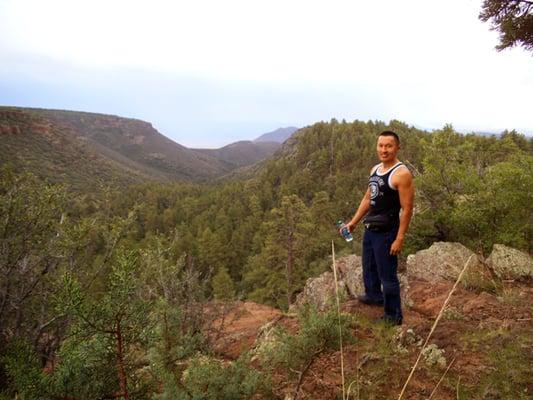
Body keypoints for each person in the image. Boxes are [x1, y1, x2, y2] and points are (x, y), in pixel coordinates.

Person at [343, 130, 414, 325]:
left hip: (387, 232)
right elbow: (368, 198)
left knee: (387, 275)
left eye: (388, 146)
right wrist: (354, 222)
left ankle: (393, 316)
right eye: (381, 145)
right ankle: (374, 296)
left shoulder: (401, 174)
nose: (384, 150)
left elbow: (407, 209)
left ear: (397, 147)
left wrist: (399, 238)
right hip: (371, 227)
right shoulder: (375, 170)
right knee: (369, 267)